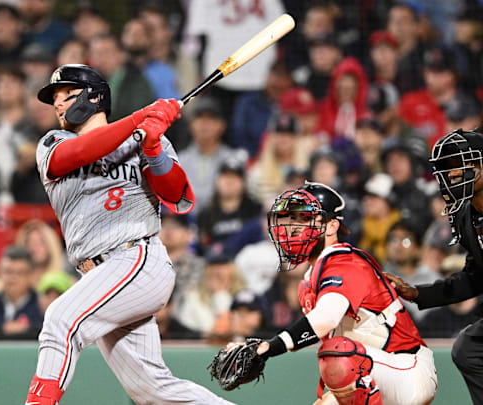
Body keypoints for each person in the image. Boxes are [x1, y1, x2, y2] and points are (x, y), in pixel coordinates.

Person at [25, 64, 235, 405]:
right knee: (152, 390)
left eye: (66, 95)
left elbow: (178, 195)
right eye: (55, 100)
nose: (58, 105)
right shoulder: (53, 142)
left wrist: (152, 148)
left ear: (94, 96)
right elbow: (77, 154)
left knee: (61, 320)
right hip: (101, 275)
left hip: (138, 258)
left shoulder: (147, 135)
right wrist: (140, 121)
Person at [229, 182, 437, 405]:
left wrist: (268, 347)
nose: (294, 227)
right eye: (292, 219)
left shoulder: (345, 261)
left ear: (331, 226)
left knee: (339, 356)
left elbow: (325, 320)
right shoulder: (310, 279)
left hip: (406, 369)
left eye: (305, 219)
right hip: (370, 372)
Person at [385, 129, 483, 405]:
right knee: (468, 348)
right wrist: (417, 293)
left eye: (461, 164)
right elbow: (474, 279)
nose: (452, 174)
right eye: (446, 168)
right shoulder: (466, 217)